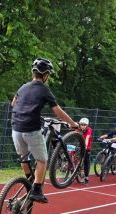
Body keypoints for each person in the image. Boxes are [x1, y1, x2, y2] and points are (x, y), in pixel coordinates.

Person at [10, 57, 79, 204]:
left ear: (33, 72)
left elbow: (13, 103)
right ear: (46, 75)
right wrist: (72, 123)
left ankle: (30, 178)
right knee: (42, 160)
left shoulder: (23, 87)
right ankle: (37, 190)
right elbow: (58, 111)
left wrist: (28, 110)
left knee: (24, 156)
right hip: (31, 129)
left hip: (16, 128)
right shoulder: (44, 89)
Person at [78, 118, 93, 185]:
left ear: (87, 125)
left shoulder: (89, 130)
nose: (83, 126)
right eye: (81, 125)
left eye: (84, 125)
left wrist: (85, 146)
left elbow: (87, 138)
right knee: (77, 159)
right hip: (79, 146)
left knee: (86, 162)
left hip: (87, 148)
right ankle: (77, 172)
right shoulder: (78, 129)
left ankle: (86, 177)